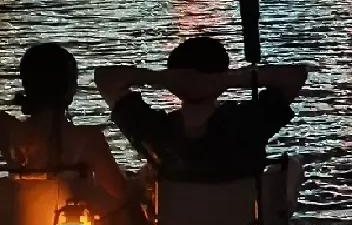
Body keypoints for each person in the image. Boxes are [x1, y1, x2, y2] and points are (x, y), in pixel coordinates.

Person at [0, 42, 145, 225]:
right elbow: (118, 192)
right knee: (130, 209)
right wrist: (140, 184)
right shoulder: (88, 139)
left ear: (26, 85)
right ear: (70, 88)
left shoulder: (8, 132)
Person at [95, 35, 308, 182]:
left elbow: (105, 78)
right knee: (293, 165)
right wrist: (232, 78)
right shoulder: (248, 124)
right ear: (221, 75)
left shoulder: (154, 132)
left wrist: (159, 77)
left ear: (173, 79)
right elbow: (295, 76)